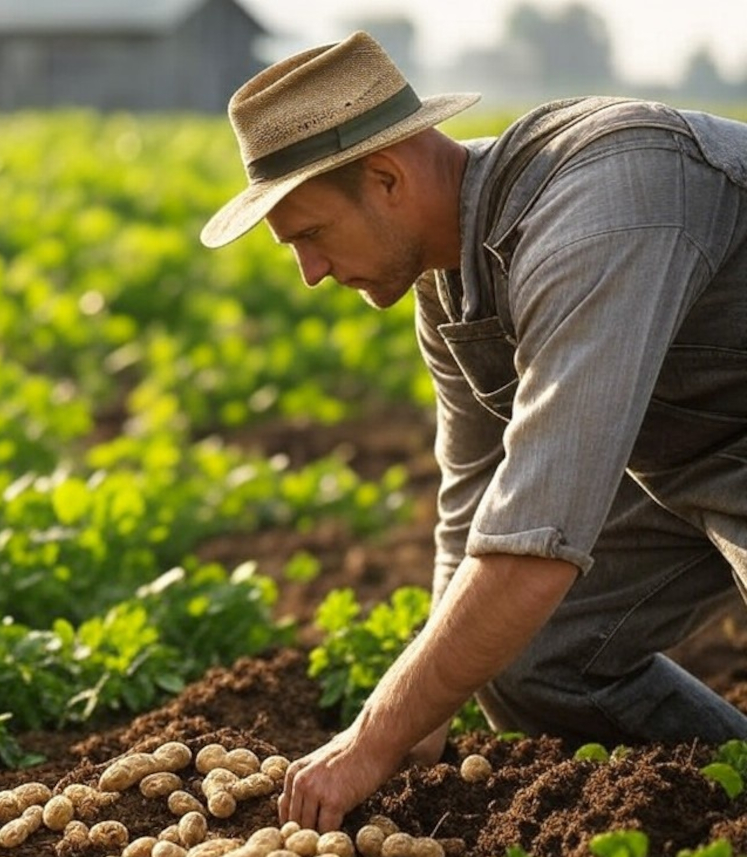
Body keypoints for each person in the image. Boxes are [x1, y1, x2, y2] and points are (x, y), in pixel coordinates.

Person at [201, 30, 747, 832]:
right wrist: (420, 714)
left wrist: (371, 738)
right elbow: (473, 513)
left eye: (310, 235)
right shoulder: (450, 282)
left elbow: (532, 547)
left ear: (385, 178)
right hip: (694, 455)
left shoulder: (597, 216)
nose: (311, 273)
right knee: (527, 662)